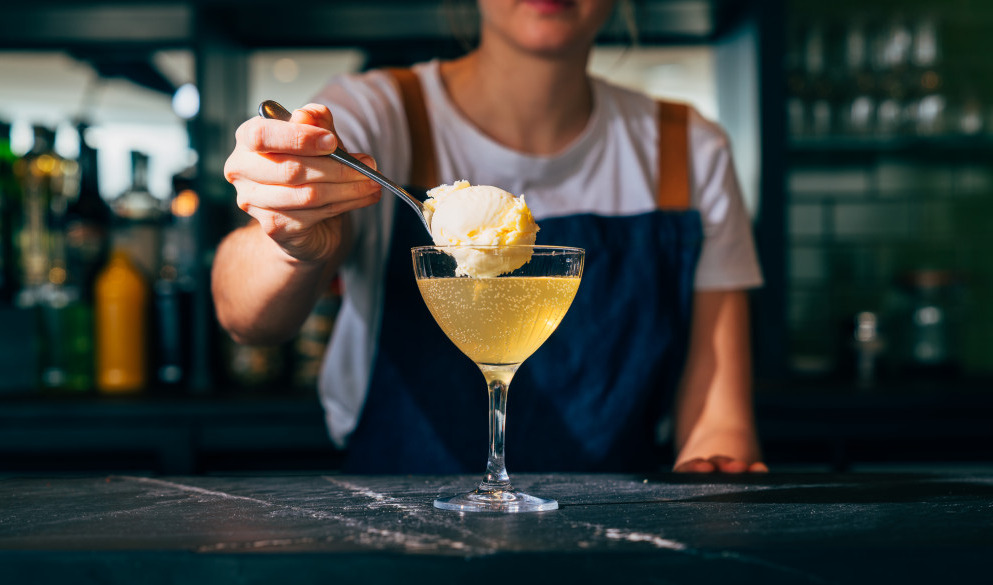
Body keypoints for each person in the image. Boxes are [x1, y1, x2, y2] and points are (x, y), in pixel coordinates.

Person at [214, 0, 768, 474]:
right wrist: (291, 237)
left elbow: (719, 421)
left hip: (614, 545)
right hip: (402, 546)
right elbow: (244, 316)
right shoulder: (378, 116)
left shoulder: (690, 150)